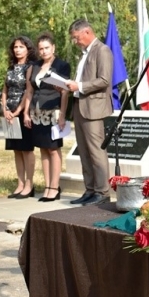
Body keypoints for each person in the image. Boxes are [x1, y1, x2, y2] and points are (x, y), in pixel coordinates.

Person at [65, 20, 114, 207]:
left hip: (94, 108)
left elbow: (104, 80)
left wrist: (80, 86)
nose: (76, 41)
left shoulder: (102, 50)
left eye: (76, 38)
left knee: (96, 151)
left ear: (87, 32)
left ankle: (102, 192)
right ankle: (90, 189)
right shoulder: (84, 54)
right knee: (84, 151)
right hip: (80, 105)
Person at [23, 33, 70, 202]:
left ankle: (55, 187)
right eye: (41, 49)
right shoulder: (34, 66)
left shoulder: (62, 65)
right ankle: (47, 186)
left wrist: (63, 114)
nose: (43, 51)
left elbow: (65, 91)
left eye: (46, 48)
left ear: (53, 48)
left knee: (53, 148)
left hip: (54, 111)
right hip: (37, 112)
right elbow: (29, 91)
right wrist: (26, 112)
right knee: (43, 148)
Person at [1, 36, 37, 199]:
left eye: (21, 47)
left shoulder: (30, 67)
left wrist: (18, 112)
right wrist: (5, 109)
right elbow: (4, 90)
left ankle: (29, 184)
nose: (17, 50)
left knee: (26, 149)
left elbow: (28, 91)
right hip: (9, 112)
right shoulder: (11, 68)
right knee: (16, 149)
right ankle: (20, 183)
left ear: (28, 49)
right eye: (15, 47)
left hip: (23, 112)